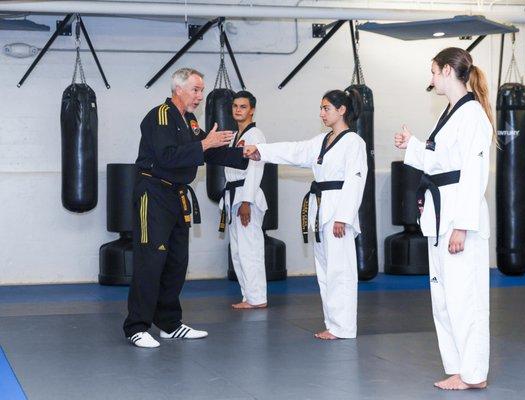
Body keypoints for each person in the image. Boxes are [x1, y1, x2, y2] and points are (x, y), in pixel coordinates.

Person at [123, 68, 248, 348]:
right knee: (150, 260)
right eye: (195, 90)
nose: (200, 96)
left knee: (177, 262)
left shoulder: (189, 120)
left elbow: (210, 150)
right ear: (178, 89)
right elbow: (167, 157)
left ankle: (169, 323)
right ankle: (136, 326)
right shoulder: (160, 116)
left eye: (202, 90)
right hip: (152, 195)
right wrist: (205, 143)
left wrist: (243, 154)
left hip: (176, 197)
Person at [394, 47, 493, 390]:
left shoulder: (473, 116)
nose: (432, 79)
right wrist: (413, 145)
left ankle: (474, 373)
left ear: (449, 71)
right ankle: (457, 367)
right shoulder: (449, 114)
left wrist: (463, 226)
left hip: (459, 217)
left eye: (434, 71)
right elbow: (439, 161)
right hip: (441, 212)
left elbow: (474, 174)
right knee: (445, 297)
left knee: (466, 297)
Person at [244, 89, 367, 340]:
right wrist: (262, 152)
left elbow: (356, 180)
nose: (322, 113)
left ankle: (344, 327)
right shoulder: (323, 141)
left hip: (338, 209)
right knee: (324, 270)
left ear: (341, 110)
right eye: (321, 108)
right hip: (321, 208)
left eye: (327, 108)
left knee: (340, 270)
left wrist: (344, 217)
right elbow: (295, 150)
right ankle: (333, 324)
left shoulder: (354, 142)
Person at [219, 90, 268, 309]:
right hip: (233, 196)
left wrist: (246, 201)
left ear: (252, 110)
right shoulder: (235, 137)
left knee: (250, 249)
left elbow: (256, 170)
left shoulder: (255, 135)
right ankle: (248, 296)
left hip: (246, 197)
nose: (238, 110)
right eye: (235, 106)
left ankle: (257, 298)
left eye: (243, 107)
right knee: (238, 252)